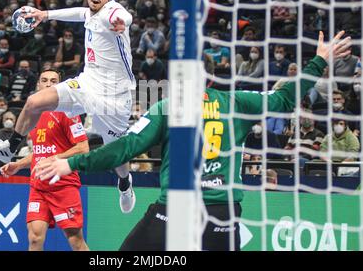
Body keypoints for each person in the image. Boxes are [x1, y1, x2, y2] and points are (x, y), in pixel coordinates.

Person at [32, 31, 351, 251]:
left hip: (174, 212)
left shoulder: (168, 107)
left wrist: (70, 162)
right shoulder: (236, 102)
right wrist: (318, 61)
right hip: (223, 214)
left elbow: (123, 148)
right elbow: (284, 98)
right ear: (212, 77)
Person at [0, 0, 136, 214]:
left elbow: (124, 15)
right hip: (88, 82)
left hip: (115, 95)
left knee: (116, 151)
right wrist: (44, 15)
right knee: (33, 102)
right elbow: (78, 13)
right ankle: (10, 147)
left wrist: (124, 23)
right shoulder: (90, 12)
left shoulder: (113, 12)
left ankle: (125, 183)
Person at [0, 68, 89, 251]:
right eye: (45, 80)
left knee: (75, 241)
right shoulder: (33, 114)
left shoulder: (68, 112)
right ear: (38, 84)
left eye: (54, 81)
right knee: (34, 238)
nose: (48, 84)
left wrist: (54, 158)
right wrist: (19, 164)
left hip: (63, 185)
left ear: (61, 86)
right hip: (38, 186)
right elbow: (41, 152)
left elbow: (83, 148)